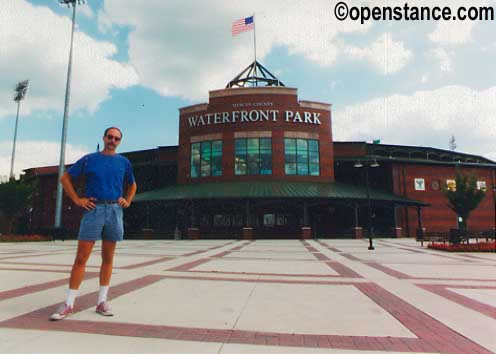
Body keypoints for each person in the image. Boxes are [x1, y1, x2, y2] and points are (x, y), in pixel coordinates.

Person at [50, 127, 137, 321]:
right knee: (81, 257)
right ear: (104, 137)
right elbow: (65, 178)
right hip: (94, 209)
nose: (112, 141)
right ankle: (69, 304)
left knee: (108, 257)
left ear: (119, 142)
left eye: (116, 138)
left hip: (115, 210)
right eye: (110, 137)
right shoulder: (90, 159)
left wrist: (128, 200)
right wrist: (77, 200)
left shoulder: (124, 162)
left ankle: (102, 302)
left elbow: (133, 184)